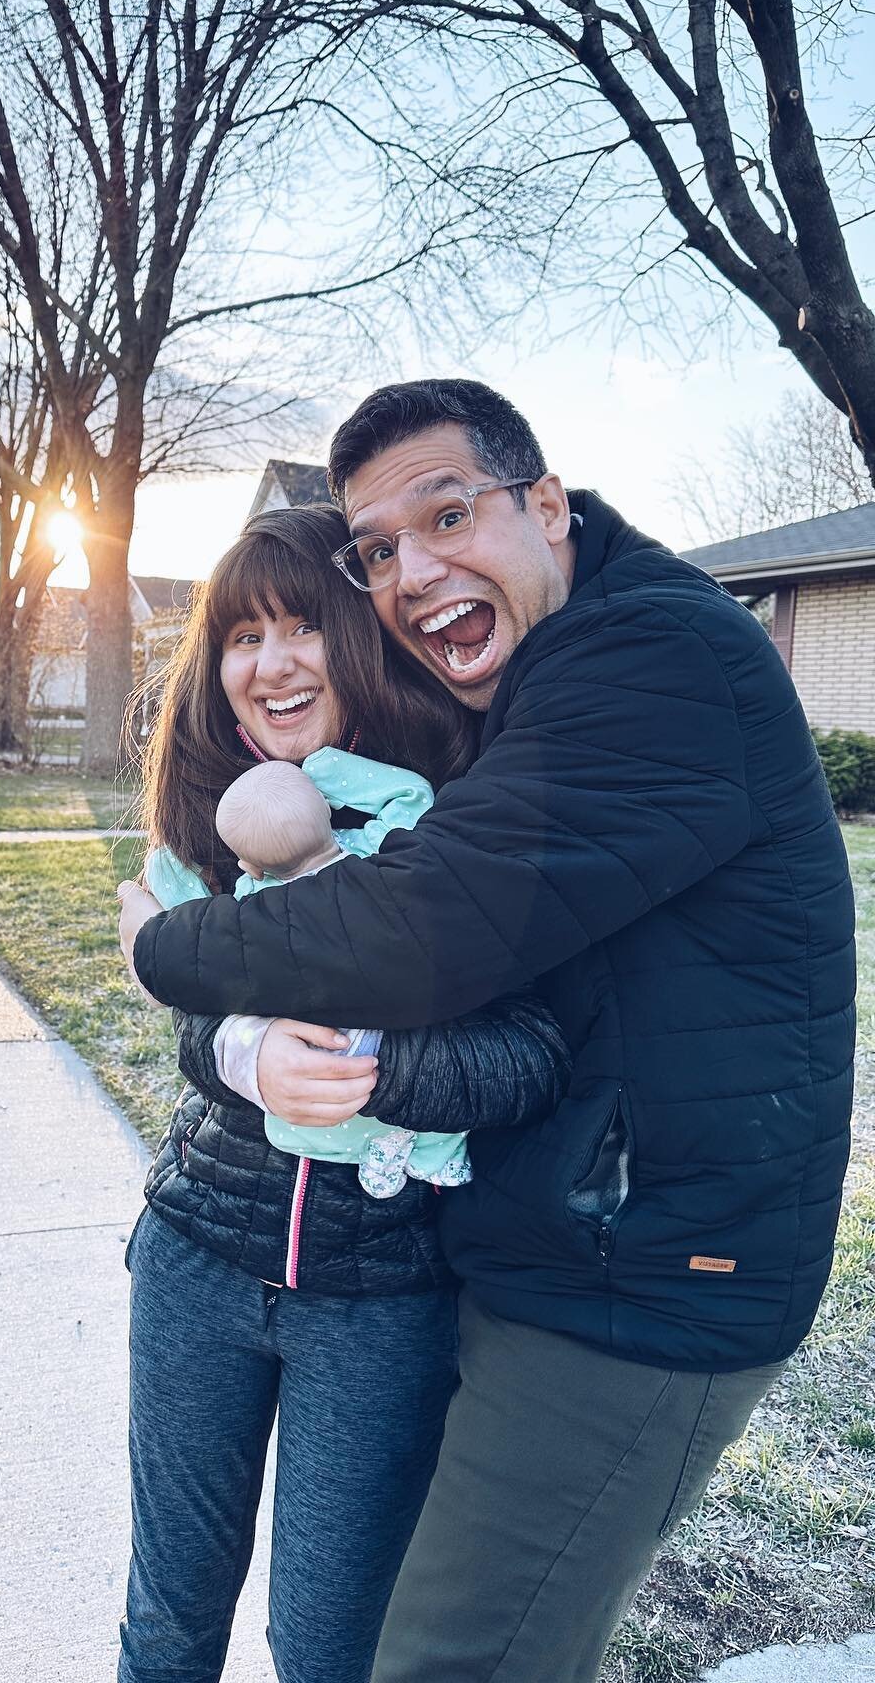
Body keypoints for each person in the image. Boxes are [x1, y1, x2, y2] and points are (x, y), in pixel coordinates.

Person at [120, 379, 856, 1683]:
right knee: (205, 1620)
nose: (416, 569)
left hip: (634, 1286)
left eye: (449, 512)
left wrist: (165, 956)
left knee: (410, 1658)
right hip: (486, 1255)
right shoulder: (532, 687)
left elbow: (444, 951)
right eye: (385, 549)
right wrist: (232, 1041)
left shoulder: (642, 663)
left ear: (548, 505)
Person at [117, 503, 568, 1683]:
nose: (270, 664)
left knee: (326, 1648)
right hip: (197, 1261)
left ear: (364, 634)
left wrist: (374, 1066)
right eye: (240, 636)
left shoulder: (458, 825)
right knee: (167, 1622)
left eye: (303, 625)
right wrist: (242, 1056)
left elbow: (531, 1056)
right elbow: (186, 994)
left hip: (379, 1308)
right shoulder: (224, 823)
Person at [149, 755, 471, 1197]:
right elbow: (413, 797)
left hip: (320, 1048)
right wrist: (325, 770)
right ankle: (432, 1153)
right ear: (326, 807)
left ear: (250, 865)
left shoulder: (256, 903)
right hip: (390, 1035)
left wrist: (164, 868)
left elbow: (196, 925)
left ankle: (375, 1150)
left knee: (300, 1114)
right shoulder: (376, 857)